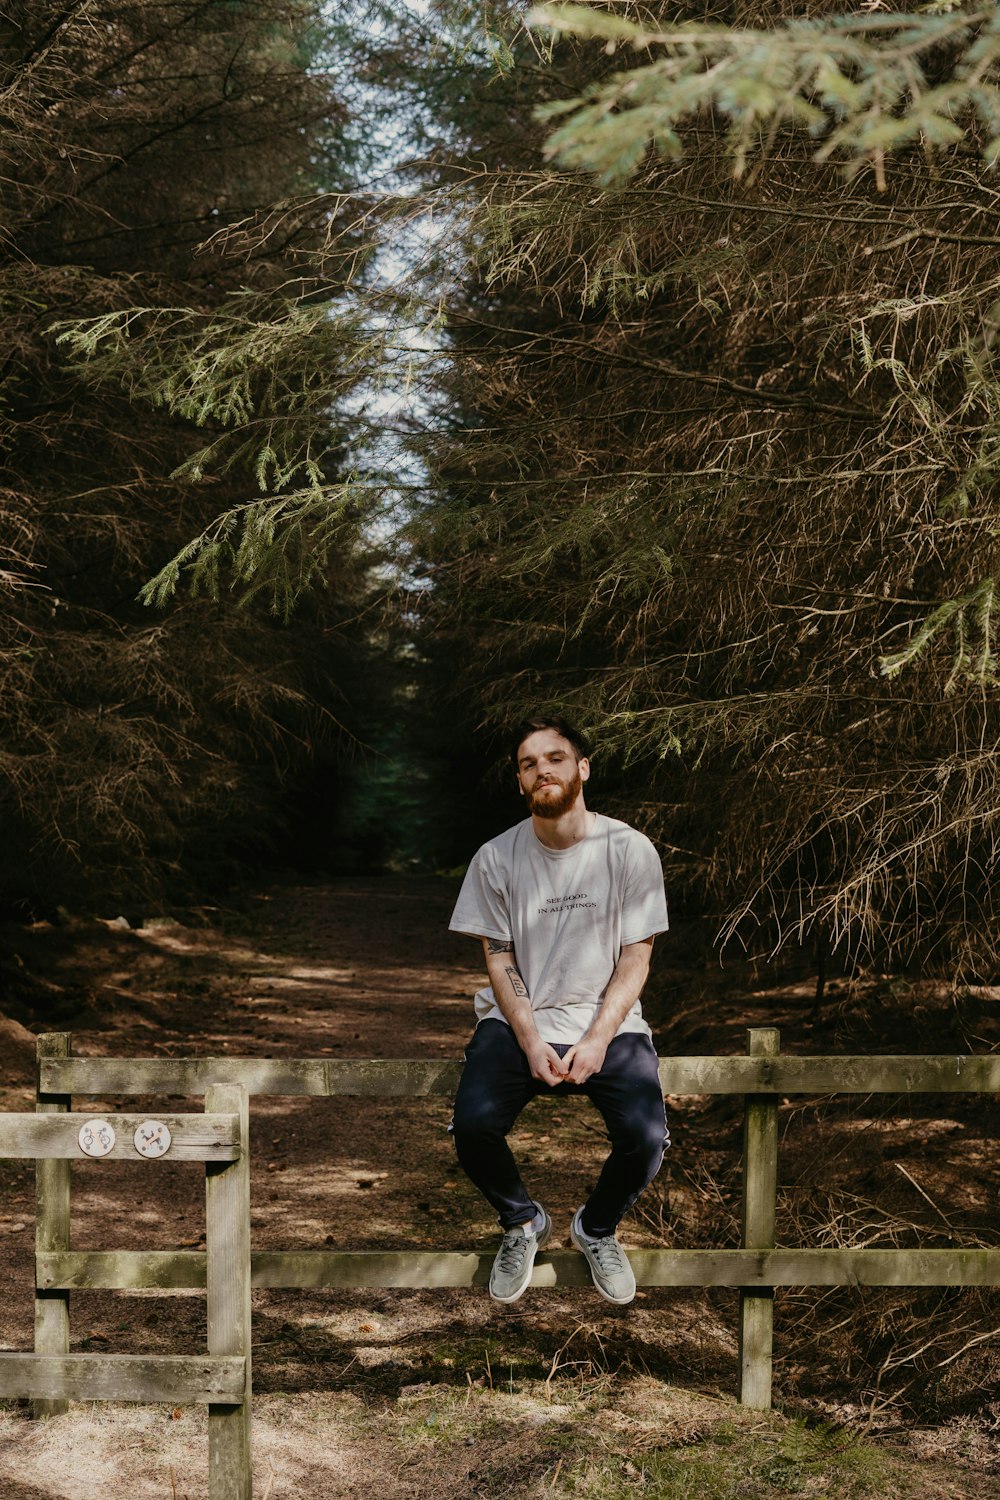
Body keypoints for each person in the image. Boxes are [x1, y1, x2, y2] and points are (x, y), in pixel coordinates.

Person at [448, 715, 669, 1305]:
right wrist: (529, 1039)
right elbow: (499, 961)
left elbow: (636, 958)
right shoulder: (496, 858)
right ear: (520, 781)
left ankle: (595, 1228)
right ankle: (522, 1222)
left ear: (582, 768)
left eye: (555, 757)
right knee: (472, 1127)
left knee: (646, 1138)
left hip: (609, 1019)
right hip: (520, 1020)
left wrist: (597, 1039)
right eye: (528, 763)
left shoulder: (629, 849)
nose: (542, 769)